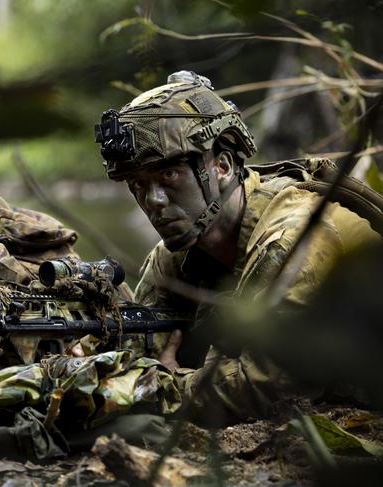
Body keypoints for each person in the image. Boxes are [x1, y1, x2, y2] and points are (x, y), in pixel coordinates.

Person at [94, 70, 381, 425]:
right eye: (138, 184)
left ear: (223, 166)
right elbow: (137, 345)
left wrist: (165, 385)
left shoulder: (292, 238)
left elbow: (268, 386)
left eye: (168, 176)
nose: (152, 199)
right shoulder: (177, 255)